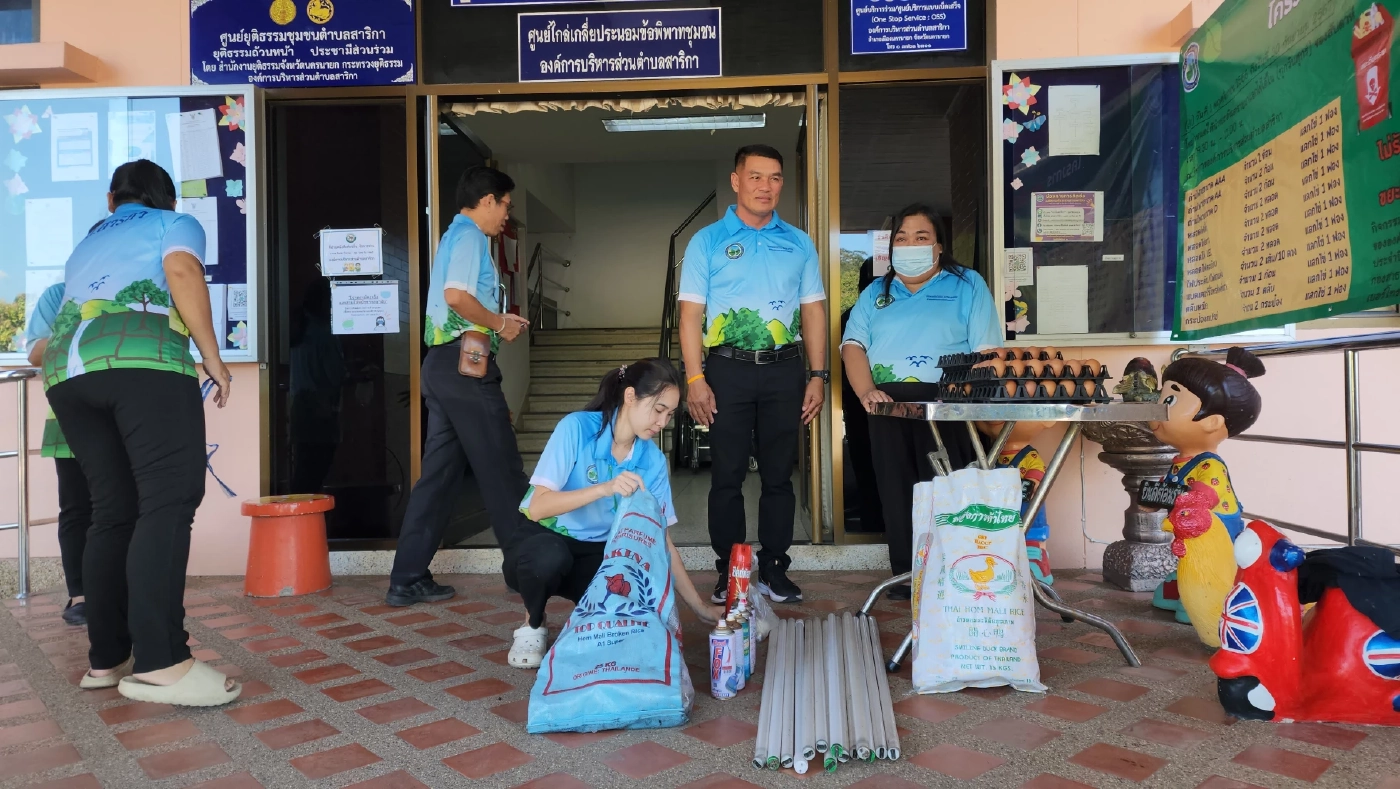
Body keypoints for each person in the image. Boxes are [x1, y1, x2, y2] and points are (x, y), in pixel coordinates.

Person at [41, 159, 237, 705]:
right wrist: (213, 358)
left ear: (112, 200)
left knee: (113, 510)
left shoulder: (86, 243)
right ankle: (162, 663)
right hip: (141, 364)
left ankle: (107, 659)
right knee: (169, 500)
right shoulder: (173, 224)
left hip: (65, 375)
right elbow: (181, 273)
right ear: (166, 198)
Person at [679, 144, 827, 606]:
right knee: (726, 476)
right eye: (757, 177)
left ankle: (775, 568)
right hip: (726, 370)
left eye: (776, 178)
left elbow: (814, 313)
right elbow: (689, 317)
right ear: (736, 180)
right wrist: (694, 378)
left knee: (780, 475)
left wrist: (818, 374)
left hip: (785, 369)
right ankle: (731, 570)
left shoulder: (800, 242)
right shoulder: (706, 241)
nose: (767, 187)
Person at [510, 358, 725, 668]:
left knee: (630, 604)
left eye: (669, 414)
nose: (662, 422)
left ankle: (587, 616)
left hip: (598, 552)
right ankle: (532, 620)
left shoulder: (651, 460)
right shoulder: (578, 428)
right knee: (547, 558)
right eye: (658, 409)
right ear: (629, 397)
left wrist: (701, 607)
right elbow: (537, 507)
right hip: (546, 535)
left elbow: (662, 542)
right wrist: (604, 488)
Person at [840, 204, 1000, 599]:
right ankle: (906, 576)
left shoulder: (967, 284)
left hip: (948, 401)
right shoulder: (876, 292)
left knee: (946, 487)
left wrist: (966, 397)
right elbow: (853, 345)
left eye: (921, 237)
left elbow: (987, 349)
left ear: (939, 246)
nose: (910, 244)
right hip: (887, 404)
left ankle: (956, 572)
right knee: (896, 489)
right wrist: (866, 393)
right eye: (901, 238)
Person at [388, 165, 531, 606]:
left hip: (442, 365)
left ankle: (407, 577)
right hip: (465, 365)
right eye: (505, 205)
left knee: (439, 478)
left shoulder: (454, 237)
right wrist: (500, 323)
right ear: (487, 199)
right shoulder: (470, 236)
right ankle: (528, 568)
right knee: (502, 468)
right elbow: (456, 296)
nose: (506, 215)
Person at [24, 282, 90, 627]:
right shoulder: (59, 294)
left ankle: (126, 589)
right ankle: (80, 594)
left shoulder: (147, 288)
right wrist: (93, 328)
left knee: (132, 505)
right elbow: (35, 352)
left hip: (131, 413)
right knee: (78, 505)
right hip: (71, 412)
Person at [840, 258, 884, 534]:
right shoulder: (852, 316)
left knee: (867, 464)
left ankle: (872, 522)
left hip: (857, 403)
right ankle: (878, 522)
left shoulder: (848, 315)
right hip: (863, 402)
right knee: (874, 463)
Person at [289, 278, 345, 493]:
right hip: (320, 410)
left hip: (299, 407)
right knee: (315, 475)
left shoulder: (297, 331)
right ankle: (308, 523)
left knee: (302, 472)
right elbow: (335, 375)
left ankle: (296, 522)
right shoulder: (325, 334)